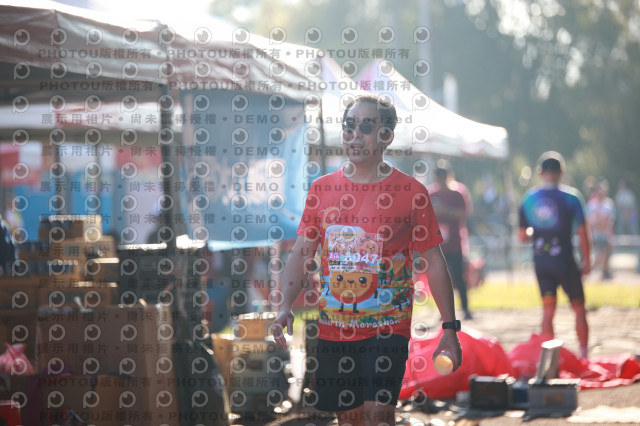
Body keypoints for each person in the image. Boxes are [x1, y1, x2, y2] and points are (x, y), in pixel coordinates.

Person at [272, 95, 462, 426]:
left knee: (378, 417)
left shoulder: (411, 193)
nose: (355, 135)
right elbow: (303, 252)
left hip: (388, 328)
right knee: (349, 421)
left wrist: (449, 328)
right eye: (349, 127)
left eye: (366, 127)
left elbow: (433, 260)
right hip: (334, 330)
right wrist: (285, 304)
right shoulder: (321, 189)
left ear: (386, 136)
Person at [519, 151, 592, 359]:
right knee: (579, 308)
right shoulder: (572, 197)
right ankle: (584, 355)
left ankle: (550, 361)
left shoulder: (528, 198)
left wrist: (537, 232)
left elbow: (522, 237)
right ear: (561, 172)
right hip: (565, 260)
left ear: (539, 172)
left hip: (542, 262)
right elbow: (582, 232)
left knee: (548, 311)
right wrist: (587, 261)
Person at [428, 160, 474, 320]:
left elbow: (464, 214)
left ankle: (465, 309)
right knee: (441, 279)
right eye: (438, 176)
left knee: (459, 277)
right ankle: (444, 312)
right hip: (438, 245)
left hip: (455, 243)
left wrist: (446, 211)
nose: (441, 180)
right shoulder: (431, 194)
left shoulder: (457, 193)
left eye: (443, 176)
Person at [586, 180, 616, 280]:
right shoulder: (592, 204)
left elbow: (609, 221)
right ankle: (589, 269)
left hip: (606, 232)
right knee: (602, 253)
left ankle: (604, 272)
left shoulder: (609, 204)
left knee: (606, 252)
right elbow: (589, 220)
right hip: (596, 233)